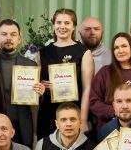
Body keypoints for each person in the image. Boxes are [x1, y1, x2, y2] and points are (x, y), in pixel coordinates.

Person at [36, 8, 96, 138]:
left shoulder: (84, 52)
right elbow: (37, 88)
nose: (62, 26)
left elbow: (87, 89)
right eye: (58, 23)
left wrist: (83, 119)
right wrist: (40, 87)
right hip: (48, 113)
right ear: (53, 25)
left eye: (67, 23)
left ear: (74, 26)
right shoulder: (42, 53)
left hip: (73, 114)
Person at [0, 19, 44, 147]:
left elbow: (36, 101)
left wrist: (40, 93)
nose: (8, 38)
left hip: (22, 127)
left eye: (13, 34)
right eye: (4, 34)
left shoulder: (30, 65)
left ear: (19, 38)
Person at [88, 33, 131, 128]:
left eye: (124, 46)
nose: (120, 50)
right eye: (116, 48)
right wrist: (115, 111)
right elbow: (93, 101)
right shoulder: (105, 72)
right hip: (111, 129)